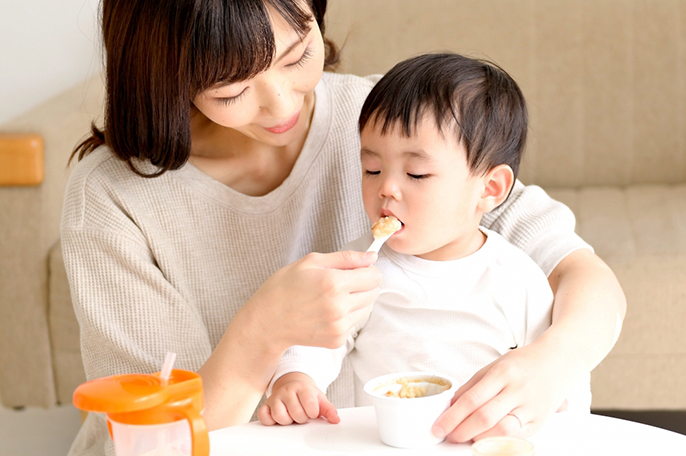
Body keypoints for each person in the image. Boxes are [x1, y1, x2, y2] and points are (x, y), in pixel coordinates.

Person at [61, 0, 625, 454]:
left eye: (298, 53)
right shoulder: (112, 196)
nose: (280, 102)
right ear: (167, 74)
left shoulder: (387, 123)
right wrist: (261, 335)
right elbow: (156, 441)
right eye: (232, 89)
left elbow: (580, 274)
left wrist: (556, 360)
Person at [258, 53, 592, 439]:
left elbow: (560, 382)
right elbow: (316, 340)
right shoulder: (362, 267)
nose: (386, 187)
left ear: (490, 188)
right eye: (372, 169)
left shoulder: (515, 278)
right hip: (383, 444)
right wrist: (296, 380)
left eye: (416, 173)